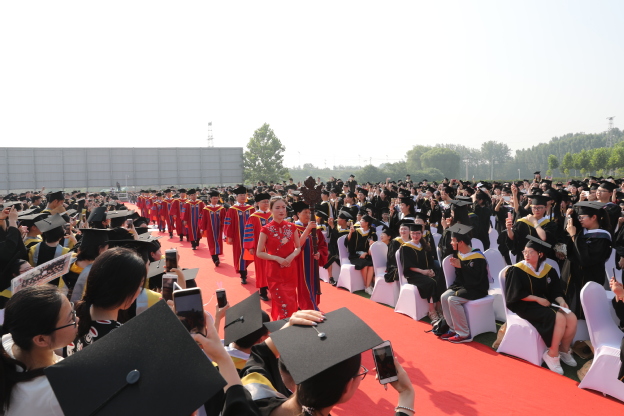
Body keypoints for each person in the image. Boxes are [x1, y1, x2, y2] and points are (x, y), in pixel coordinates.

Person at [504, 236, 577, 375]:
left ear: (540, 254)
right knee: (560, 318)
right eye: (525, 251)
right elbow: (515, 293)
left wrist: (561, 301)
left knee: (571, 317)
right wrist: (537, 299)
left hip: (544, 302)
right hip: (524, 304)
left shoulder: (548, 270)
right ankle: (552, 354)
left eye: (530, 252)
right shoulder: (517, 270)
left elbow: (555, 291)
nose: (526, 255)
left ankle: (564, 349)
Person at [1, 285, 76, 416]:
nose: (78, 319)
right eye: (71, 319)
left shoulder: (7, 341)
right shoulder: (59, 391)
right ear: (41, 339)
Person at [67, 247, 146, 355]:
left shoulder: (71, 317)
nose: (140, 291)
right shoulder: (125, 339)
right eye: (139, 285)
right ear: (124, 290)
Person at [256, 197, 312, 320]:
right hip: (274, 270)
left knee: (291, 299)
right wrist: (277, 259)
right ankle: (284, 324)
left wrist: (291, 256)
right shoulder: (265, 229)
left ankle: (287, 325)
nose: (281, 210)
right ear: (271, 210)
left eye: (283, 207)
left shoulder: (292, 227)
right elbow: (259, 253)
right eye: (277, 208)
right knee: (281, 301)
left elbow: (298, 247)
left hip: (290, 269)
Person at [561, 201, 612, 319]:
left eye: (582, 217)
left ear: (594, 217)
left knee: (585, 310)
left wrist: (574, 236)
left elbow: (586, 259)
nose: (580, 220)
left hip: (589, 277)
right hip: (571, 275)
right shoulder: (581, 231)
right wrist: (569, 216)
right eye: (579, 217)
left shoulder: (602, 237)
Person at [439, 224, 489, 343]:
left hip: (477, 288)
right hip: (463, 286)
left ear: (460, 242)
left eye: (453, 240)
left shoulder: (478, 257)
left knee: (453, 299)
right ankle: (452, 328)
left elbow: (477, 278)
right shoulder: (459, 254)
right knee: (444, 296)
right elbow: (460, 277)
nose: (451, 243)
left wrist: (462, 266)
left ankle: (463, 333)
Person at [401, 223, 441, 320]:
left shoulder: (425, 246)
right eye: (413, 233)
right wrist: (423, 272)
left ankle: (439, 308)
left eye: (418, 233)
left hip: (426, 272)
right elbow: (408, 265)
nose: (415, 236)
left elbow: (430, 262)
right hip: (413, 274)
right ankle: (431, 310)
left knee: (440, 280)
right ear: (410, 234)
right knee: (431, 282)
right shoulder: (405, 247)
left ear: (422, 234)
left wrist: (431, 270)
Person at [293, 201, 328, 310]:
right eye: (305, 212)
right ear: (298, 213)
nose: (308, 215)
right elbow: (295, 245)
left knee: (313, 284)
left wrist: (319, 253)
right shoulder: (293, 228)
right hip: (299, 263)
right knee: (302, 285)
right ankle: (305, 306)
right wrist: (307, 229)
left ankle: (311, 305)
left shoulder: (315, 229)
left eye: (310, 212)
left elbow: (322, 245)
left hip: (313, 263)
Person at [243, 192, 273, 301]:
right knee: (261, 269)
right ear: (257, 203)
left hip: (272, 248)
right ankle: (263, 291)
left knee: (273, 268)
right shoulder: (253, 217)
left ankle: (272, 287)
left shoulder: (272, 215)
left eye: (267, 201)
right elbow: (249, 232)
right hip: (259, 248)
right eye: (264, 202)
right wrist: (250, 247)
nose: (266, 203)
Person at [224, 186, 256, 284]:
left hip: (249, 237)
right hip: (237, 237)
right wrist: (229, 236)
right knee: (239, 254)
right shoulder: (232, 209)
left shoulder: (251, 209)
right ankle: (243, 274)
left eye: (244, 195)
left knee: (249, 253)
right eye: (241, 195)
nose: (243, 197)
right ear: (236, 197)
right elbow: (228, 223)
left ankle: (245, 268)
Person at [347, 214, 377, 294]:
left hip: (366, 255)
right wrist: (350, 233)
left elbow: (372, 248)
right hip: (355, 255)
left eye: (362, 220)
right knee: (365, 264)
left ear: (367, 223)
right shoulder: (356, 231)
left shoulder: (372, 234)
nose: (360, 222)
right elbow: (348, 242)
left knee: (371, 265)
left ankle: (367, 286)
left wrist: (370, 248)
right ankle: (367, 286)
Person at [200, 190, 227, 266]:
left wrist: (225, 229)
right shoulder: (206, 209)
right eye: (214, 198)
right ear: (210, 199)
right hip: (210, 229)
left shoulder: (221, 209)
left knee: (218, 242)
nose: (215, 200)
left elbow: (224, 219)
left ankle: (216, 256)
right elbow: (203, 220)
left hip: (219, 229)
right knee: (211, 243)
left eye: (216, 198)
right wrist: (202, 229)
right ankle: (215, 258)